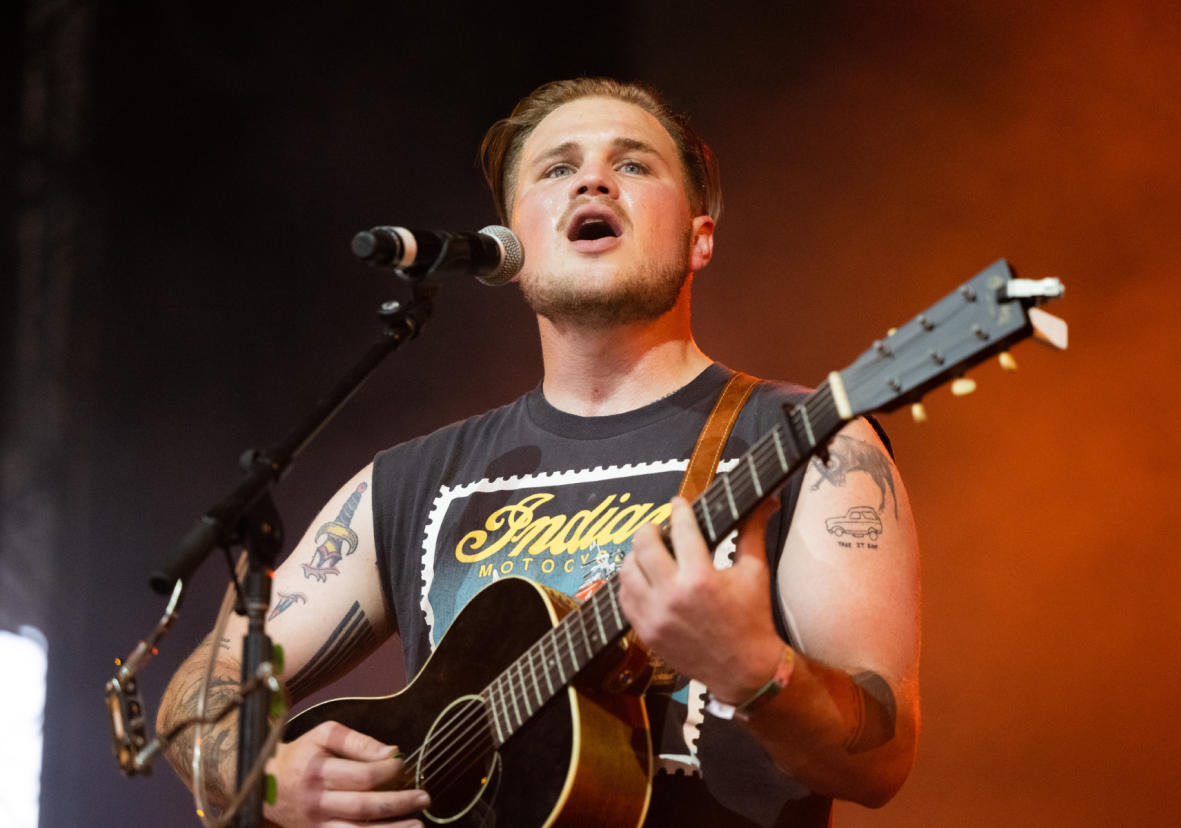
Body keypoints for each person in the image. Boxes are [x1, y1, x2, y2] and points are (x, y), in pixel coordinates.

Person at [157, 77, 921, 827]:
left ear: (700, 237)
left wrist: (754, 672)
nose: (593, 179)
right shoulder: (408, 483)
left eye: (632, 164)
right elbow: (203, 686)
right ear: (511, 245)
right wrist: (257, 774)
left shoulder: (811, 441)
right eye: (557, 169)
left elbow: (881, 759)